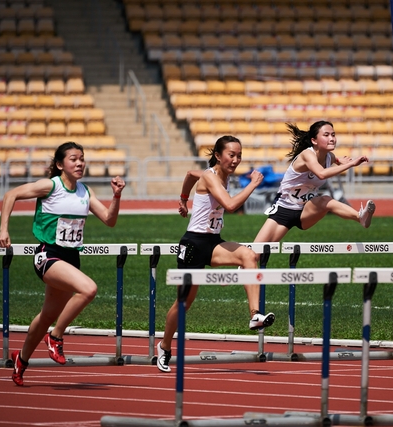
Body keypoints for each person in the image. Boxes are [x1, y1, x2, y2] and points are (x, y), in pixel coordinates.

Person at [0, 141, 125, 386]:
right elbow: (10, 194)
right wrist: (4, 229)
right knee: (89, 289)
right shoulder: (50, 186)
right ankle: (55, 336)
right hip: (48, 255)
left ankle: (21, 360)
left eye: (82, 159)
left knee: (46, 315)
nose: (79, 163)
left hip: (70, 258)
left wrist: (116, 196)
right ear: (59, 164)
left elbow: (109, 220)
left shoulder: (85, 192)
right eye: (73, 159)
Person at [157, 135, 274, 373]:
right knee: (184, 302)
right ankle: (164, 345)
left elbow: (190, 174)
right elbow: (230, 206)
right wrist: (253, 184)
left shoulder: (220, 175)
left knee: (249, 256)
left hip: (212, 242)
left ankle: (254, 314)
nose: (236, 160)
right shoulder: (211, 177)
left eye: (239, 155)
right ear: (218, 156)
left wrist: (183, 199)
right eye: (232, 155)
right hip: (192, 245)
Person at [253, 120, 375, 244]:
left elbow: (336, 159)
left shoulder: (329, 157)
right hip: (284, 209)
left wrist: (341, 160)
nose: (332, 138)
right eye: (326, 135)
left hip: (305, 211)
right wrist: (351, 164)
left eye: (333, 135)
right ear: (314, 140)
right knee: (256, 253)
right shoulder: (307, 155)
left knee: (325, 200)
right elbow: (321, 174)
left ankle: (361, 217)